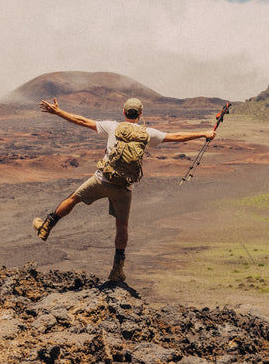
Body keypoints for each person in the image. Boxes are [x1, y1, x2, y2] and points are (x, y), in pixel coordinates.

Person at [34, 96, 216, 283]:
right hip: (123, 187)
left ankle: (46, 226)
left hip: (101, 180)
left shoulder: (113, 126)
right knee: (121, 226)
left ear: (123, 112)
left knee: (73, 199)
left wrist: (58, 112)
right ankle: (117, 270)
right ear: (140, 114)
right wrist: (204, 133)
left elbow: (81, 120)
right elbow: (177, 137)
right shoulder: (148, 133)